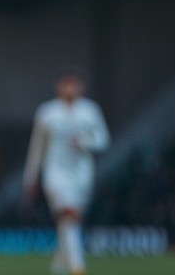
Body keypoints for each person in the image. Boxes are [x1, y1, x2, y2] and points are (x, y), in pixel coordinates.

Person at [23, 69, 110, 275]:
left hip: (82, 174)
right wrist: (30, 177)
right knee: (67, 213)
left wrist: (85, 143)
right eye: (65, 84)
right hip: (55, 173)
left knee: (71, 219)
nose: (70, 88)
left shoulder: (90, 110)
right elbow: (37, 147)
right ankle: (77, 267)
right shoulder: (47, 112)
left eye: (74, 84)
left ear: (81, 87)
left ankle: (59, 263)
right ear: (58, 87)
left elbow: (103, 140)